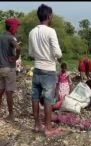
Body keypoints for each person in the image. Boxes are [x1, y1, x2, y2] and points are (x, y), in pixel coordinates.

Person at [28, 4, 62, 136]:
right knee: (48, 99)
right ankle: (48, 128)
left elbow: (31, 53)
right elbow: (58, 53)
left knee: (35, 97)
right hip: (48, 70)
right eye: (51, 15)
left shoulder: (32, 32)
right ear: (49, 16)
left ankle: (37, 125)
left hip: (37, 69)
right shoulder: (50, 31)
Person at [0, 19, 21, 121]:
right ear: (13, 27)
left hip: (0, 68)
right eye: (16, 28)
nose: (17, 30)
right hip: (9, 68)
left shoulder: (0, 36)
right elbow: (18, 48)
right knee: (9, 92)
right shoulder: (11, 38)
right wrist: (16, 57)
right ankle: (11, 115)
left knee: (0, 90)